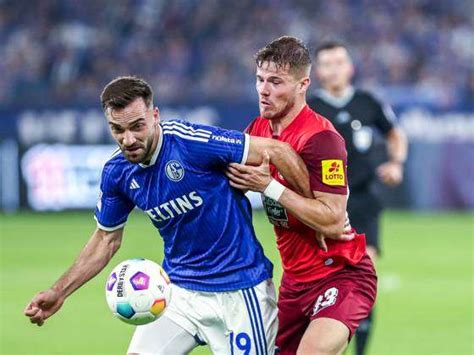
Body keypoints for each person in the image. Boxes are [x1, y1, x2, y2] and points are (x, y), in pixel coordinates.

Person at [24, 76, 311, 354]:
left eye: (137, 126)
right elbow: (105, 240)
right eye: (117, 129)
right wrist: (59, 292)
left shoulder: (193, 143)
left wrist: (314, 208)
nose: (128, 139)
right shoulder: (117, 172)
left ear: (155, 115)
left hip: (241, 290)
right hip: (178, 293)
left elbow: (279, 151)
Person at [226, 36, 377, 355]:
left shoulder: (321, 139)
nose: (264, 90)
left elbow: (333, 219)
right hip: (294, 283)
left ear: (302, 84)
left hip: (341, 273)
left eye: (276, 82)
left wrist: (269, 186)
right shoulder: (258, 129)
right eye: (260, 80)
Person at [308, 41, 408, 355]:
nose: (334, 68)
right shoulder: (310, 109)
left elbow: (395, 133)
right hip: (323, 207)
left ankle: (360, 351)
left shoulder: (368, 102)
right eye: (327, 63)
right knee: (324, 284)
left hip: (363, 203)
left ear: (350, 67)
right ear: (318, 72)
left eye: (340, 61)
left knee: (364, 278)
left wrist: (396, 162)